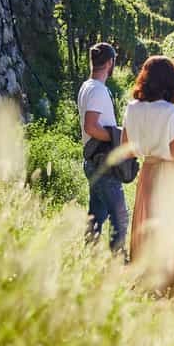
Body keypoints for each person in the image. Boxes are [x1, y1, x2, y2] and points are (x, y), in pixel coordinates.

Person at [122, 56, 174, 297]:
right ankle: (171, 285)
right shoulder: (170, 112)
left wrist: (149, 151)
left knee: (145, 225)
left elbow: (127, 148)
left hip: (148, 171)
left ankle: (144, 280)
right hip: (169, 175)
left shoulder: (132, 108)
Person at [78, 42, 128, 253]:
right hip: (102, 161)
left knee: (96, 215)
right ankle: (116, 265)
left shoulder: (87, 86)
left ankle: (88, 259)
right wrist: (116, 134)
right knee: (120, 216)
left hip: (93, 160)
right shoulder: (98, 90)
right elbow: (91, 126)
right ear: (110, 63)